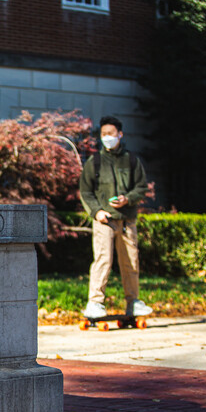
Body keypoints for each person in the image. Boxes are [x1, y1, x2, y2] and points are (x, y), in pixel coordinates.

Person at [79, 115, 154, 319]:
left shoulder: (131, 161)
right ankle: (95, 302)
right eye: (103, 134)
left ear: (120, 134)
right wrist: (96, 211)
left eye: (111, 134)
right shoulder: (94, 162)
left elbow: (141, 187)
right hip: (104, 219)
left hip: (127, 219)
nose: (107, 138)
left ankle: (133, 301)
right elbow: (85, 192)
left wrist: (127, 199)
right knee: (103, 260)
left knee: (131, 261)